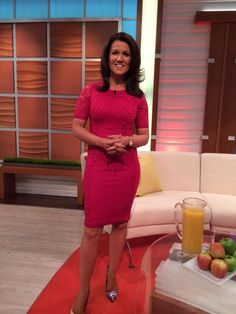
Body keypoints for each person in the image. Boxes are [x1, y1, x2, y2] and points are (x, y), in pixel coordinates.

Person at [71, 31, 149, 314]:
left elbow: (144, 136)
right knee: (92, 229)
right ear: (107, 58)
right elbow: (77, 127)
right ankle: (83, 290)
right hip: (98, 166)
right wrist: (102, 142)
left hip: (126, 167)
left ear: (132, 60)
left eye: (126, 54)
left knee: (120, 225)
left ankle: (112, 274)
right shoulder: (90, 91)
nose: (120, 58)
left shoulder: (138, 98)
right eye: (115, 53)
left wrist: (126, 141)